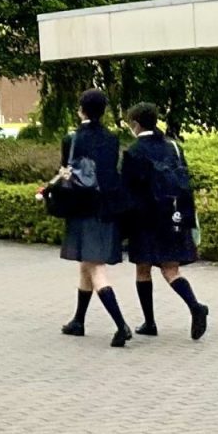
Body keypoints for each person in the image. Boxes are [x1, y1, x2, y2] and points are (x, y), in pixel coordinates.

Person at [122, 102, 210, 341]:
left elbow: (127, 191)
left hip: (145, 220)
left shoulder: (133, 152)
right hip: (174, 215)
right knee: (171, 269)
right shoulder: (173, 147)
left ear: (136, 124)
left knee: (142, 269)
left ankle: (150, 322)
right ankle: (195, 306)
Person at [55, 88, 134, 347]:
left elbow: (66, 170)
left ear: (82, 109)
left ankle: (121, 326)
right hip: (107, 207)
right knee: (87, 265)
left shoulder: (73, 138)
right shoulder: (112, 138)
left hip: (83, 208)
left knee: (95, 268)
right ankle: (78, 320)